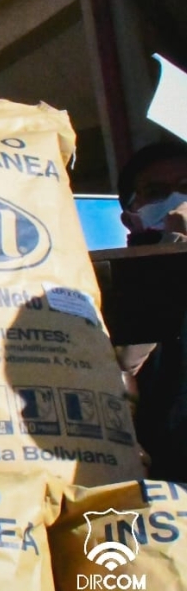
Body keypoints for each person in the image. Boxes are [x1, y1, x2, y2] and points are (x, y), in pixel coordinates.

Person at [115, 140, 187, 481]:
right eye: (156, 192)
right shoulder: (114, 285)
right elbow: (122, 369)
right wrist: (172, 255)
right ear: (131, 216)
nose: (175, 200)